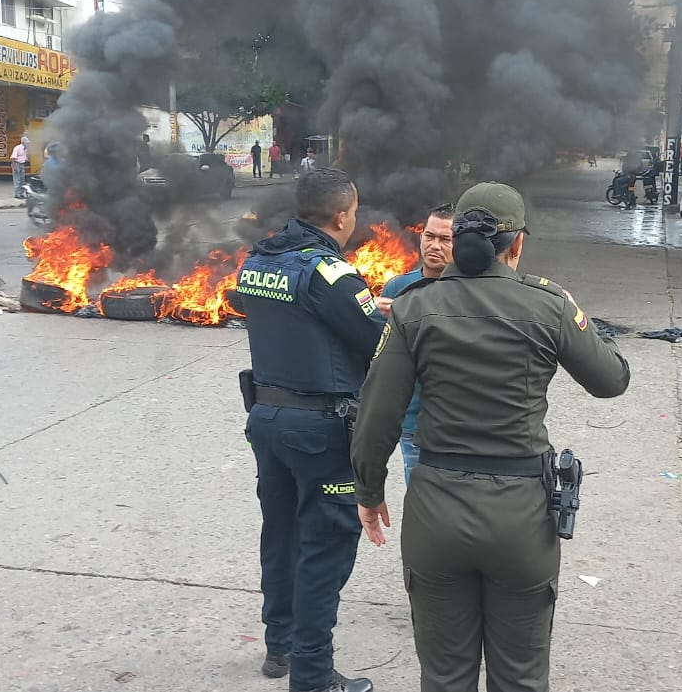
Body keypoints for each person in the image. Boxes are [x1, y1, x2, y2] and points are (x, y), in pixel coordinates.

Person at [351, 182, 631, 692]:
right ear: (517, 243)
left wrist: (368, 493)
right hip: (522, 519)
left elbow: (376, 415)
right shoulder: (548, 305)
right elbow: (612, 380)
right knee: (521, 678)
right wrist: (577, 315)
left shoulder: (414, 307)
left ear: (455, 239)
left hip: (435, 512)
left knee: (444, 676)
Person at [233, 167, 383, 692]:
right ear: (342, 215)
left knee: (281, 534)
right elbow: (376, 344)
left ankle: (280, 647)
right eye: (356, 211)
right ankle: (314, 676)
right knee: (326, 546)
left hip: (267, 421)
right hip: (320, 430)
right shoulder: (332, 275)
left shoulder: (257, 261)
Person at [372, 203, 456, 484]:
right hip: (414, 425)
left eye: (445, 239)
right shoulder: (398, 288)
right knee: (421, 513)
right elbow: (382, 360)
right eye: (429, 236)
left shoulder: (472, 291)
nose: (434, 245)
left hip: (462, 426)